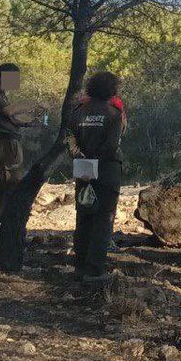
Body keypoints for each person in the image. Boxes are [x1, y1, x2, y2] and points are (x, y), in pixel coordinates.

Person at [68, 71, 126, 282]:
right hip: (107, 170)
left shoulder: (77, 112)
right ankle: (94, 269)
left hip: (82, 166)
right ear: (112, 90)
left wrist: (82, 160)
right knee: (103, 218)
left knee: (84, 214)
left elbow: (69, 141)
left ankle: (80, 264)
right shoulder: (113, 113)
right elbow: (112, 146)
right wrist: (96, 162)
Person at [0, 64, 39, 246]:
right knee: (8, 188)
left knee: (4, 189)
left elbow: (9, 118)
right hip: (4, 145)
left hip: (8, 143)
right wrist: (33, 104)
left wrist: (27, 124)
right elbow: (8, 111)